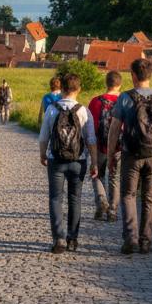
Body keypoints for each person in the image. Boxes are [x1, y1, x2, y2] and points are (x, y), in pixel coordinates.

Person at [106, 58, 152, 255]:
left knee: (128, 195)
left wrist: (112, 155)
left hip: (131, 154)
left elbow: (114, 129)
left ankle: (130, 240)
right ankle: (146, 242)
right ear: (150, 75)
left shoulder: (125, 98)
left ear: (133, 76)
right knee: (150, 198)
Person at [39, 73, 98, 253]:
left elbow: (43, 137)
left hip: (55, 160)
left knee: (55, 198)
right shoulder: (83, 111)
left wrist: (43, 155)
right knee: (75, 199)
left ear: (62, 89)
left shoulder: (51, 109)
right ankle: (73, 239)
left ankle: (59, 239)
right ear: (78, 90)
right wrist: (94, 162)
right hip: (78, 161)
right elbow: (91, 140)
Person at [88, 70, 123, 222]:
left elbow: (90, 126)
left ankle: (101, 200)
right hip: (118, 147)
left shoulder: (95, 101)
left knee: (96, 174)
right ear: (119, 84)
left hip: (99, 145)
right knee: (115, 178)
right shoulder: (125, 101)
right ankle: (113, 211)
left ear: (106, 83)